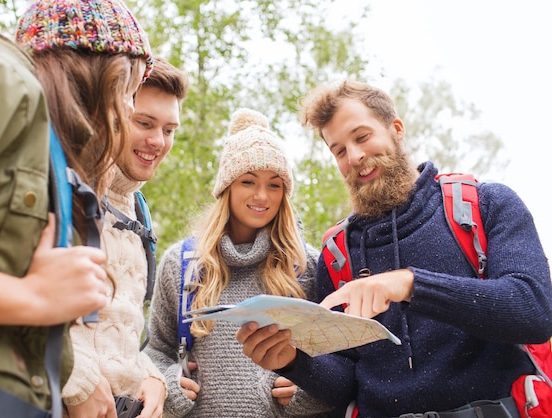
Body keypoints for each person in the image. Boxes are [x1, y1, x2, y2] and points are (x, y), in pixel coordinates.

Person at [236, 79, 552, 417]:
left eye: (362, 137)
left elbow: (534, 311)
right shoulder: (337, 253)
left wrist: (410, 284)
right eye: (339, 150)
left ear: (396, 129)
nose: (354, 156)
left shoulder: (485, 204)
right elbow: (348, 383)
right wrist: (294, 362)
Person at [0, 0, 153, 416]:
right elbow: (27, 297)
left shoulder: (49, 153)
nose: (130, 108)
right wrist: (28, 295)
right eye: (130, 88)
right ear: (102, 68)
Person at [144, 108, 333, 417]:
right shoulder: (182, 265)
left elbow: (336, 363)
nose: (262, 195)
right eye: (248, 181)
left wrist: (308, 389)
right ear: (227, 186)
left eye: (274, 184)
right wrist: (168, 384)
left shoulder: (307, 266)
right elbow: (156, 350)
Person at [62, 57, 190, 418]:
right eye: (144, 123)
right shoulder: (68, 190)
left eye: (169, 129)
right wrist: (79, 382)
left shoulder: (138, 210)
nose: (157, 142)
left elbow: (120, 333)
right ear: (114, 113)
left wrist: (151, 377)